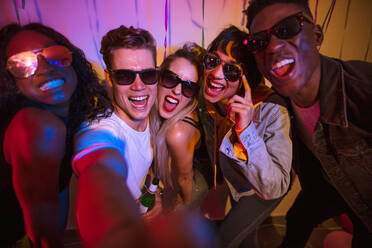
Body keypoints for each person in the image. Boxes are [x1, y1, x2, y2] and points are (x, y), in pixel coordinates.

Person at [244, 0, 372, 247]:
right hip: (326, 185)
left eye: (288, 28)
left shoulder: (363, 89)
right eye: (258, 42)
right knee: (298, 218)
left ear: (317, 35)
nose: (271, 47)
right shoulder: (278, 105)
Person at [0, 23, 111, 247]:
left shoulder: (68, 119)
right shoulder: (38, 126)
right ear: (9, 80)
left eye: (54, 54)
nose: (44, 69)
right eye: (22, 64)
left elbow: (55, 195)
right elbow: (42, 234)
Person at [198, 25, 292, 247]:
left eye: (231, 71)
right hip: (239, 181)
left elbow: (273, 186)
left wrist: (246, 128)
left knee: (223, 240)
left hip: (265, 188)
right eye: (213, 61)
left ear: (247, 79)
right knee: (246, 238)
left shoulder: (272, 109)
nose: (216, 74)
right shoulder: (212, 100)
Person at [72, 25, 161, 247]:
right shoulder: (100, 129)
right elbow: (97, 164)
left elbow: (149, 174)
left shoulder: (154, 114)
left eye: (148, 74)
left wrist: (153, 199)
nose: (139, 86)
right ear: (109, 78)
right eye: (124, 76)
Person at [155, 42, 209, 210]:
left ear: (194, 94)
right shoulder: (150, 112)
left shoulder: (177, 132)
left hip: (189, 190)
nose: (177, 91)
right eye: (171, 78)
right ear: (159, 76)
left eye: (188, 87)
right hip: (168, 185)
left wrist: (180, 210)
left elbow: (184, 179)